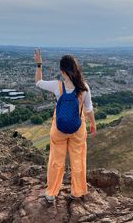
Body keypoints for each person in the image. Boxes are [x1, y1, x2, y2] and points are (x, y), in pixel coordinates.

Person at [34, 49, 97, 203]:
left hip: (59, 129)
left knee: (56, 160)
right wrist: (93, 124)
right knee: (78, 160)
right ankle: (78, 191)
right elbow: (88, 110)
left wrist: (39, 64)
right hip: (78, 128)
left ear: (62, 71)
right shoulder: (84, 88)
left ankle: (51, 192)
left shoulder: (57, 86)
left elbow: (38, 82)